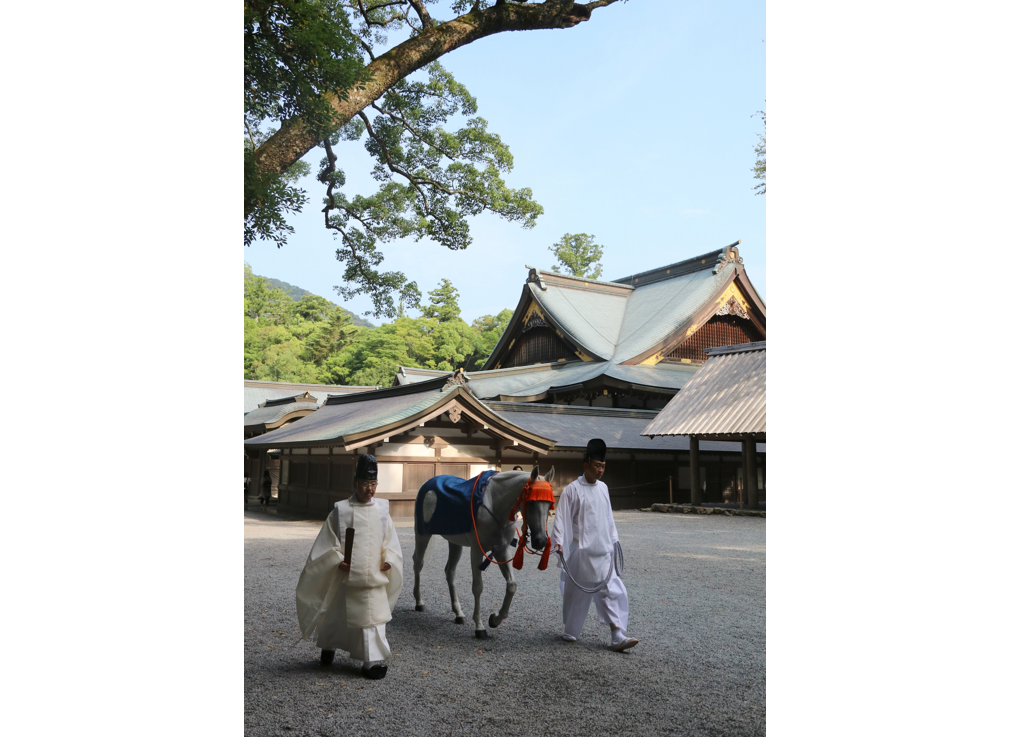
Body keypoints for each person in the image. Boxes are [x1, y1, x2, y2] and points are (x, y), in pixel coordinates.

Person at [295, 454, 404, 679]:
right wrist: (336, 560)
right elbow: (326, 543)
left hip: (373, 574)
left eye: (373, 484)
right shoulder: (341, 510)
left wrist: (389, 559)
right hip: (346, 573)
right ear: (355, 483)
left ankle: (371, 661)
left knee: (371, 615)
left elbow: (389, 541)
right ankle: (328, 645)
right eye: (365, 484)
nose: (370, 489)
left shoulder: (382, 510)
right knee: (336, 612)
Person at [551, 438, 638, 652]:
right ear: (586, 464)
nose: (600, 470)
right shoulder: (572, 489)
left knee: (613, 592)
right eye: (597, 466)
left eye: (603, 466)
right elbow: (560, 518)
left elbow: (608, 517)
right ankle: (571, 630)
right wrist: (559, 543)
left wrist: (614, 539)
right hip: (582, 551)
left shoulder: (603, 488)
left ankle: (617, 634)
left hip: (603, 551)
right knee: (576, 595)